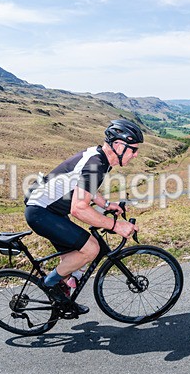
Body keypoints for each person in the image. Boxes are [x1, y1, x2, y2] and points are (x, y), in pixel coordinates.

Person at [24, 119, 141, 314]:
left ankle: (62, 299)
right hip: (41, 212)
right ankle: (49, 285)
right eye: (133, 150)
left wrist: (106, 205)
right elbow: (79, 208)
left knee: (73, 260)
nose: (135, 155)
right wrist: (116, 226)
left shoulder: (99, 158)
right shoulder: (96, 164)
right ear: (119, 146)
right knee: (91, 248)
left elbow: (84, 187)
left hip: (52, 211)